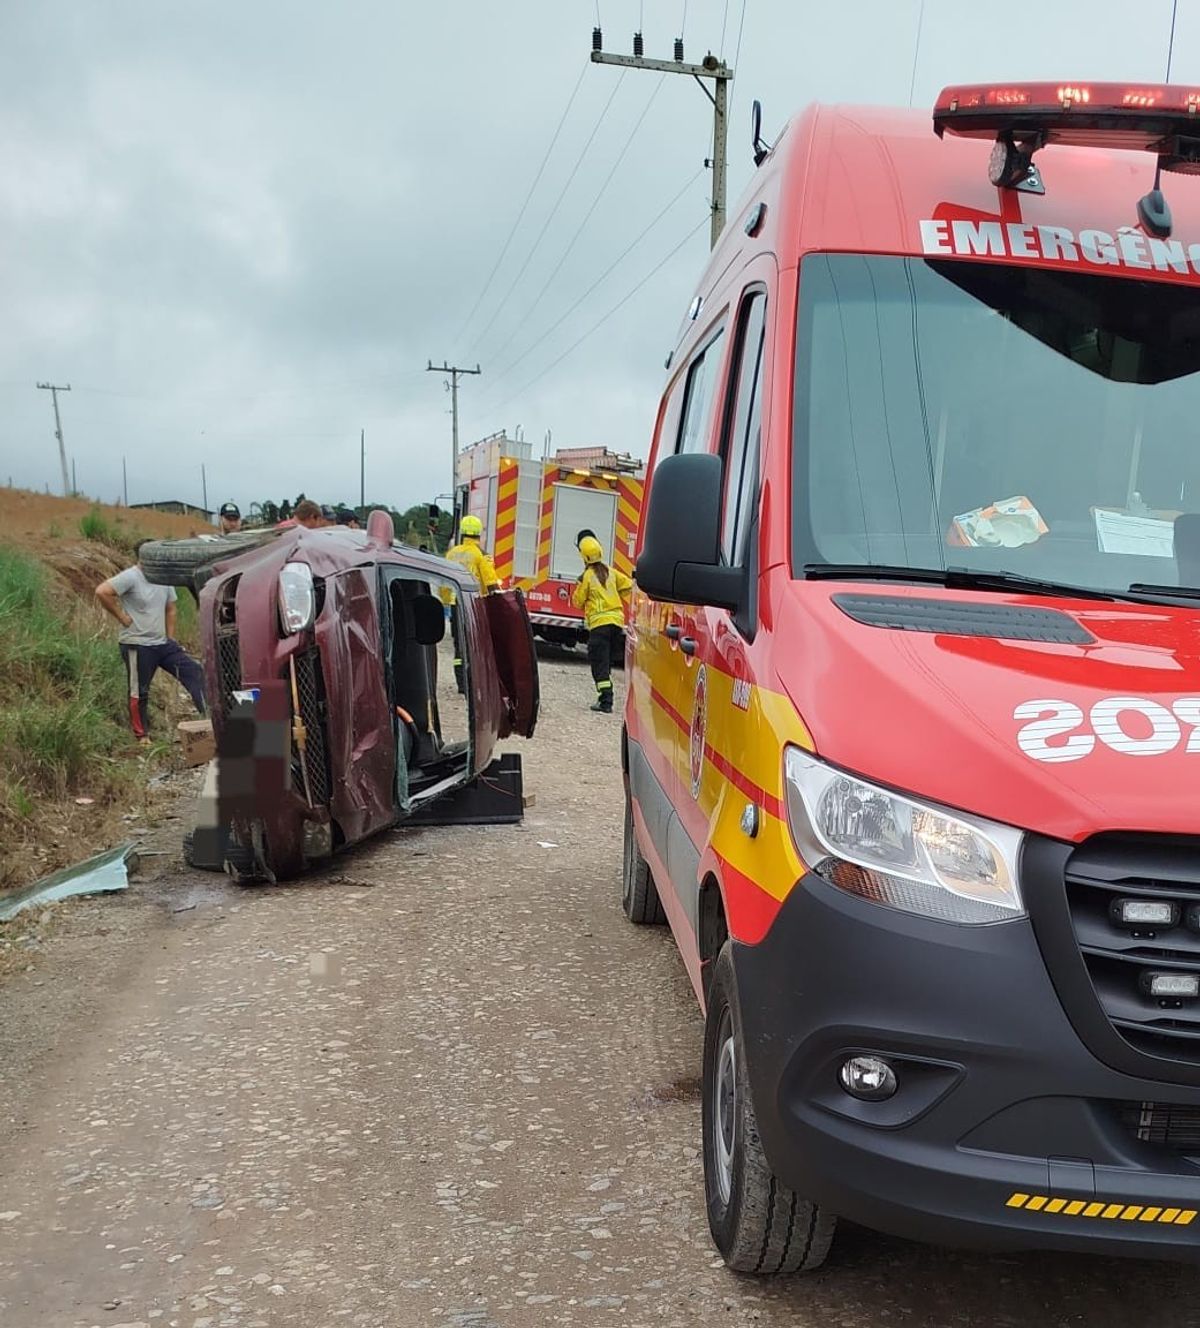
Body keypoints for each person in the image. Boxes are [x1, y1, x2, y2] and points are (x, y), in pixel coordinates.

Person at [95, 543, 206, 741]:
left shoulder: (163, 578)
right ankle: (142, 736)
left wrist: (170, 637)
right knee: (139, 690)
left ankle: (208, 720)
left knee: (194, 672)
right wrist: (122, 617)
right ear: (142, 557)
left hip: (162, 643)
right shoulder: (131, 576)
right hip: (138, 643)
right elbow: (102, 591)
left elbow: (170, 608)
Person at [572, 536, 632, 713]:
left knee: (599, 663)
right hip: (616, 625)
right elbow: (629, 585)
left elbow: (578, 601)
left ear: (584, 556)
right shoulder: (611, 572)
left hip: (599, 626)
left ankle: (606, 700)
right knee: (605, 662)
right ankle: (606, 695)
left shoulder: (587, 577)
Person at [443, 515, 501, 692]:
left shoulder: (452, 553)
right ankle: (473, 682)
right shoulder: (481, 555)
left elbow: (444, 582)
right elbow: (490, 582)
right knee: (473, 643)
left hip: (455, 604)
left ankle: (461, 683)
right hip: (473, 604)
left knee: (459, 646)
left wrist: (446, 601)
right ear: (479, 534)